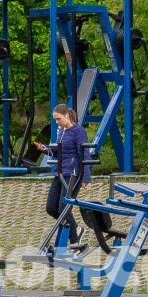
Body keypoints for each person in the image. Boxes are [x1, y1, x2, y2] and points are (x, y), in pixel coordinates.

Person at [35, 105, 89, 251]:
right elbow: (58, 152)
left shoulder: (78, 131)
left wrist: (86, 176)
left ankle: (74, 239)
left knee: (63, 208)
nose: (57, 122)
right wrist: (45, 149)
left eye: (58, 119)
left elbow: (85, 154)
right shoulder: (61, 132)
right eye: (55, 120)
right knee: (52, 208)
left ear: (67, 115)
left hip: (73, 174)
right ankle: (76, 228)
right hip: (59, 173)